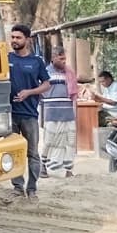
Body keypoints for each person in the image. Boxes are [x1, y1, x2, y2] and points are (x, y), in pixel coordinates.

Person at [6, 24, 52, 203]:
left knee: (32, 153)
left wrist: (29, 92)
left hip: (30, 114)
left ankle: (32, 189)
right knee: (12, 152)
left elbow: (47, 84)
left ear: (27, 40)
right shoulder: (6, 58)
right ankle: (17, 188)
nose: (14, 41)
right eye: (12, 37)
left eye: (18, 38)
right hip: (9, 114)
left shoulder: (36, 61)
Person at [40, 47, 77, 178]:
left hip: (68, 113)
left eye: (65, 59)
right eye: (61, 59)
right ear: (53, 58)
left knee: (70, 142)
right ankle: (43, 166)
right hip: (52, 112)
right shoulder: (45, 72)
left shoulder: (69, 73)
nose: (63, 61)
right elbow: (40, 91)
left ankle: (68, 169)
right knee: (49, 141)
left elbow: (73, 92)